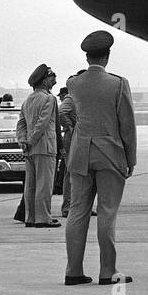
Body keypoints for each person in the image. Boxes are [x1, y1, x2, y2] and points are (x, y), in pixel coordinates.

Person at [64, 30, 137, 286]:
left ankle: (73, 271)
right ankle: (108, 270)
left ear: (87, 57)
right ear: (107, 56)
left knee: (77, 211)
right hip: (110, 154)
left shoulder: (74, 83)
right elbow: (127, 124)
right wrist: (131, 158)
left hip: (80, 154)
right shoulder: (118, 83)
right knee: (107, 213)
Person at [16, 64, 61, 228]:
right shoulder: (49, 98)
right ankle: (43, 218)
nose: (53, 80)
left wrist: (23, 141)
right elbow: (42, 124)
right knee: (44, 184)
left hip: (30, 149)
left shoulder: (27, 100)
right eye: (51, 77)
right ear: (44, 80)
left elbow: (21, 124)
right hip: (45, 147)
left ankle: (30, 217)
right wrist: (31, 140)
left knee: (31, 185)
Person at [58, 72, 85, 217]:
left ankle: (81, 206)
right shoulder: (71, 97)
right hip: (73, 137)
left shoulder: (83, 96)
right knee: (70, 173)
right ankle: (67, 207)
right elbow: (61, 113)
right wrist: (71, 127)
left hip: (83, 137)